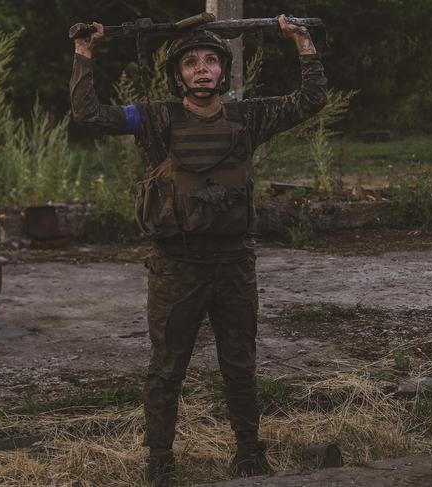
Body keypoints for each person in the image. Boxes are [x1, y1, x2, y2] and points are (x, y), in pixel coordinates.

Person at [70, 15, 327, 486]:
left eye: (211, 60)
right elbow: (89, 115)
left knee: (240, 364)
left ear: (223, 70)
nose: (202, 69)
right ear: (177, 76)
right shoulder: (154, 118)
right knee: (167, 368)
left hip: (233, 263)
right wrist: (84, 53)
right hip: (176, 266)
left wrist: (302, 41)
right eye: (190, 62)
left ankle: (249, 454)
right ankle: (160, 463)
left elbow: (312, 99)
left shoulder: (248, 117)